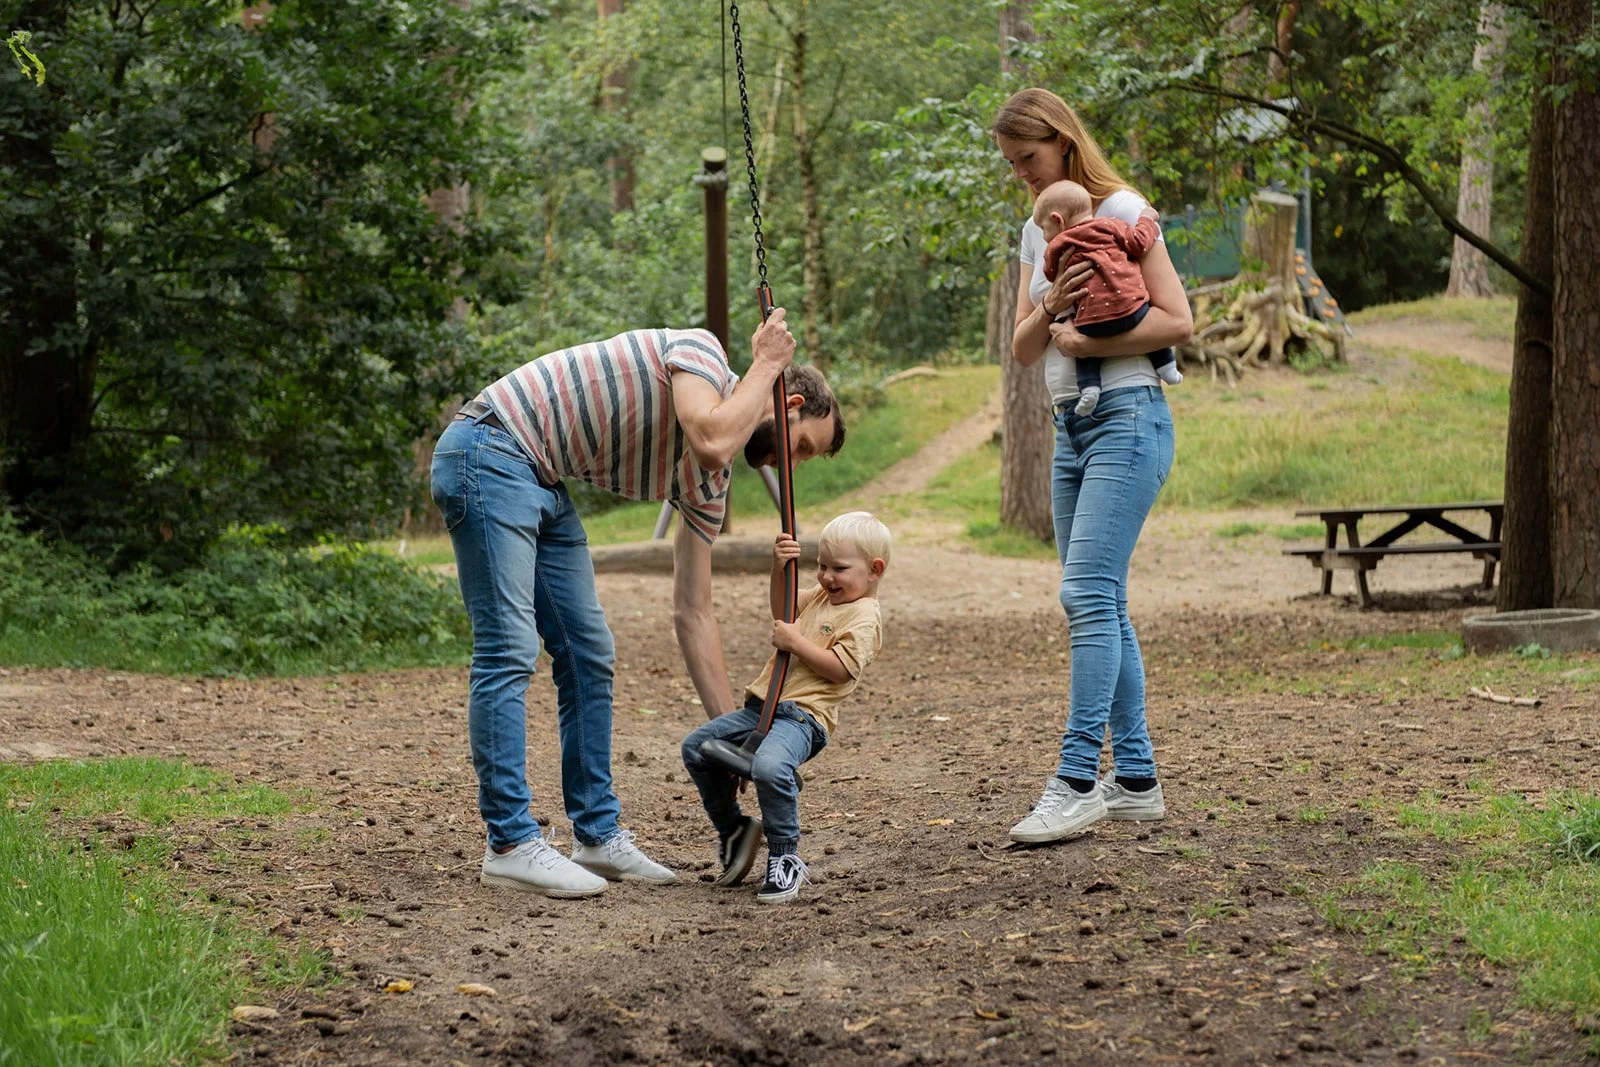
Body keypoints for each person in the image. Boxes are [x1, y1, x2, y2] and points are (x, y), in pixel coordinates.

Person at [430, 311, 846, 898]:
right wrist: (768, 362)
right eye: (800, 445)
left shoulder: (712, 484)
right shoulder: (700, 355)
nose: (790, 466)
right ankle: (510, 844)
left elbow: (693, 612)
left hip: (541, 478)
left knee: (588, 651)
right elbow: (710, 437)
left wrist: (738, 745)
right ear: (791, 401)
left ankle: (596, 837)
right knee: (509, 648)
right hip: (490, 447)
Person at [993, 88, 1191, 844]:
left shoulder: (1123, 213)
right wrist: (1052, 311)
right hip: (1069, 430)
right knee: (1102, 602)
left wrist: (1084, 343)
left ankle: (1076, 780)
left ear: (1063, 141)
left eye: (1030, 159)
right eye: (1012, 167)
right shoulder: (1034, 229)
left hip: (1129, 417)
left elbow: (1178, 321)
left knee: (1085, 593)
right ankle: (1136, 780)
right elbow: (1021, 346)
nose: (1024, 177)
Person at [680, 511, 889, 904]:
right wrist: (779, 570)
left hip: (803, 719)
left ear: (874, 570)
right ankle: (734, 830)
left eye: (839, 569)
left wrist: (796, 644)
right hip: (762, 708)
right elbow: (784, 610)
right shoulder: (823, 598)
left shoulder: (864, 617)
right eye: (821, 566)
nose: (827, 577)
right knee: (696, 748)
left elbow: (841, 670)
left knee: (770, 767)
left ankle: (785, 857)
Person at [1033, 179, 1183, 415]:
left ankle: (1090, 388)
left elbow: (1051, 273)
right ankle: (1167, 366)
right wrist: (1146, 220)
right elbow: (1138, 242)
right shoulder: (1112, 225)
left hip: (1092, 321)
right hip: (1131, 309)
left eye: (1043, 228)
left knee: (1079, 343)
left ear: (1057, 220)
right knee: (1148, 316)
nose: (1043, 236)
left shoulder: (1058, 244)